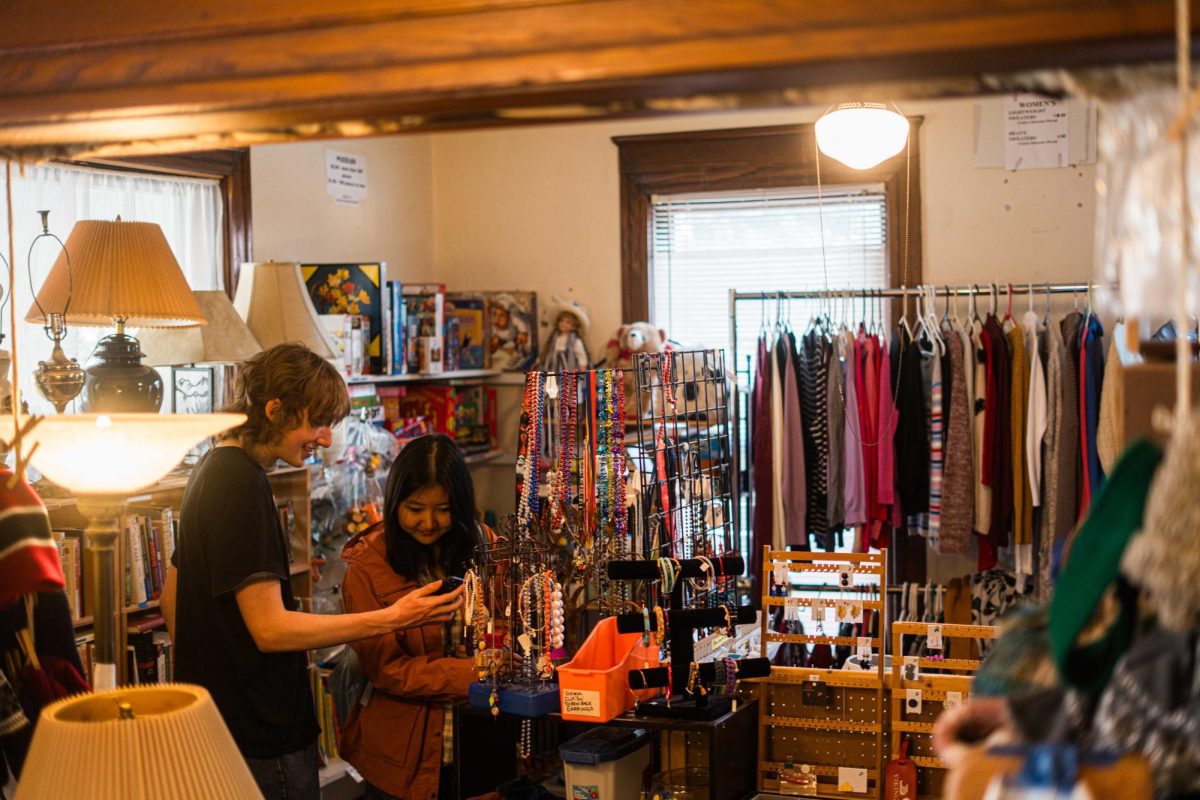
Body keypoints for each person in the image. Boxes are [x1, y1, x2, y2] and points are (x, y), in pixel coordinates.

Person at [161, 343, 464, 800]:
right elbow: (271, 630)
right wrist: (394, 617)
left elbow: (172, 598)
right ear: (274, 410)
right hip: (263, 735)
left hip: (220, 726)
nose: (324, 439)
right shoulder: (241, 484)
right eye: (316, 422)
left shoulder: (212, 466)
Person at [339, 433, 489, 800]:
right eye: (415, 508)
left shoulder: (483, 543)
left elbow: (505, 621)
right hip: (401, 757)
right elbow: (387, 668)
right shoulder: (368, 566)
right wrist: (475, 673)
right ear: (395, 503)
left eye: (443, 509)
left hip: (479, 741)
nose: (429, 522)